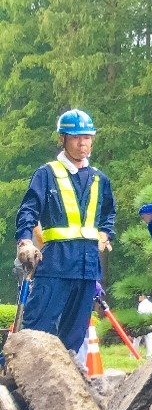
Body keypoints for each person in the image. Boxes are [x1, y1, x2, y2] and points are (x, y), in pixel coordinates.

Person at [15, 110, 116, 359]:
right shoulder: (46, 174)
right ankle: (24, 385)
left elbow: (109, 213)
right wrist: (25, 241)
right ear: (63, 139)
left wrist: (105, 235)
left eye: (87, 137)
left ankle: (66, 386)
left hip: (87, 268)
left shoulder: (99, 179)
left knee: (74, 336)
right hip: (55, 265)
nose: (83, 143)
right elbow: (28, 210)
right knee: (38, 330)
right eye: (75, 138)